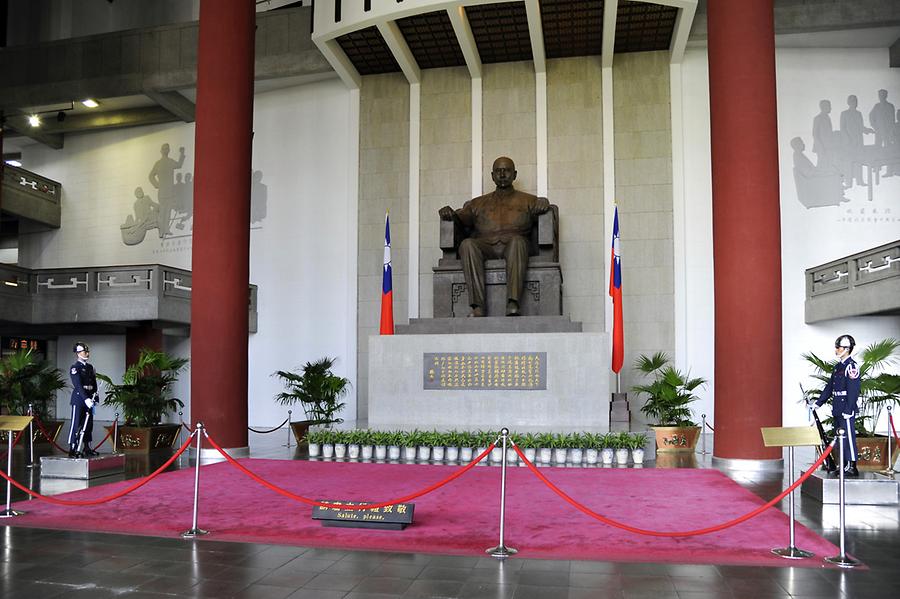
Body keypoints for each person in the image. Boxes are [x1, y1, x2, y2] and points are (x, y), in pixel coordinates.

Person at [439, 156, 549, 317]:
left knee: (517, 242)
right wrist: (449, 213)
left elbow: (547, 210)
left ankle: (513, 302)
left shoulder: (528, 200)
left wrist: (545, 202)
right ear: (492, 176)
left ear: (515, 174)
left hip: (515, 246)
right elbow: (460, 219)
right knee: (468, 244)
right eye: (498, 171)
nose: (502, 174)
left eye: (507, 170)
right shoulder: (477, 203)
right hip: (486, 245)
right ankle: (477, 306)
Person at [812, 335, 861, 477]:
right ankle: (844, 464)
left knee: (849, 436)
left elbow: (853, 390)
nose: (836, 350)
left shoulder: (851, 367)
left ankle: (852, 465)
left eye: (838, 347)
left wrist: (849, 408)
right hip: (838, 407)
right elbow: (830, 387)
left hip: (846, 407)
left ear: (846, 349)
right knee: (840, 438)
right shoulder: (838, 367)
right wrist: (818, 403)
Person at [67, 342, 100, 458]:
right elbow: (78, 385)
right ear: (78, 354)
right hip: (79, 399)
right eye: (84, 351)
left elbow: (93, 384)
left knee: (88, 424)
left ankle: (87, 447)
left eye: (87, 351)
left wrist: (95, 398)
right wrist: (86, 399)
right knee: (76, 424)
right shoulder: (75, 368)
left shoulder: (90, 367)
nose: (87, 353)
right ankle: (73, 448)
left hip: (89, 398)